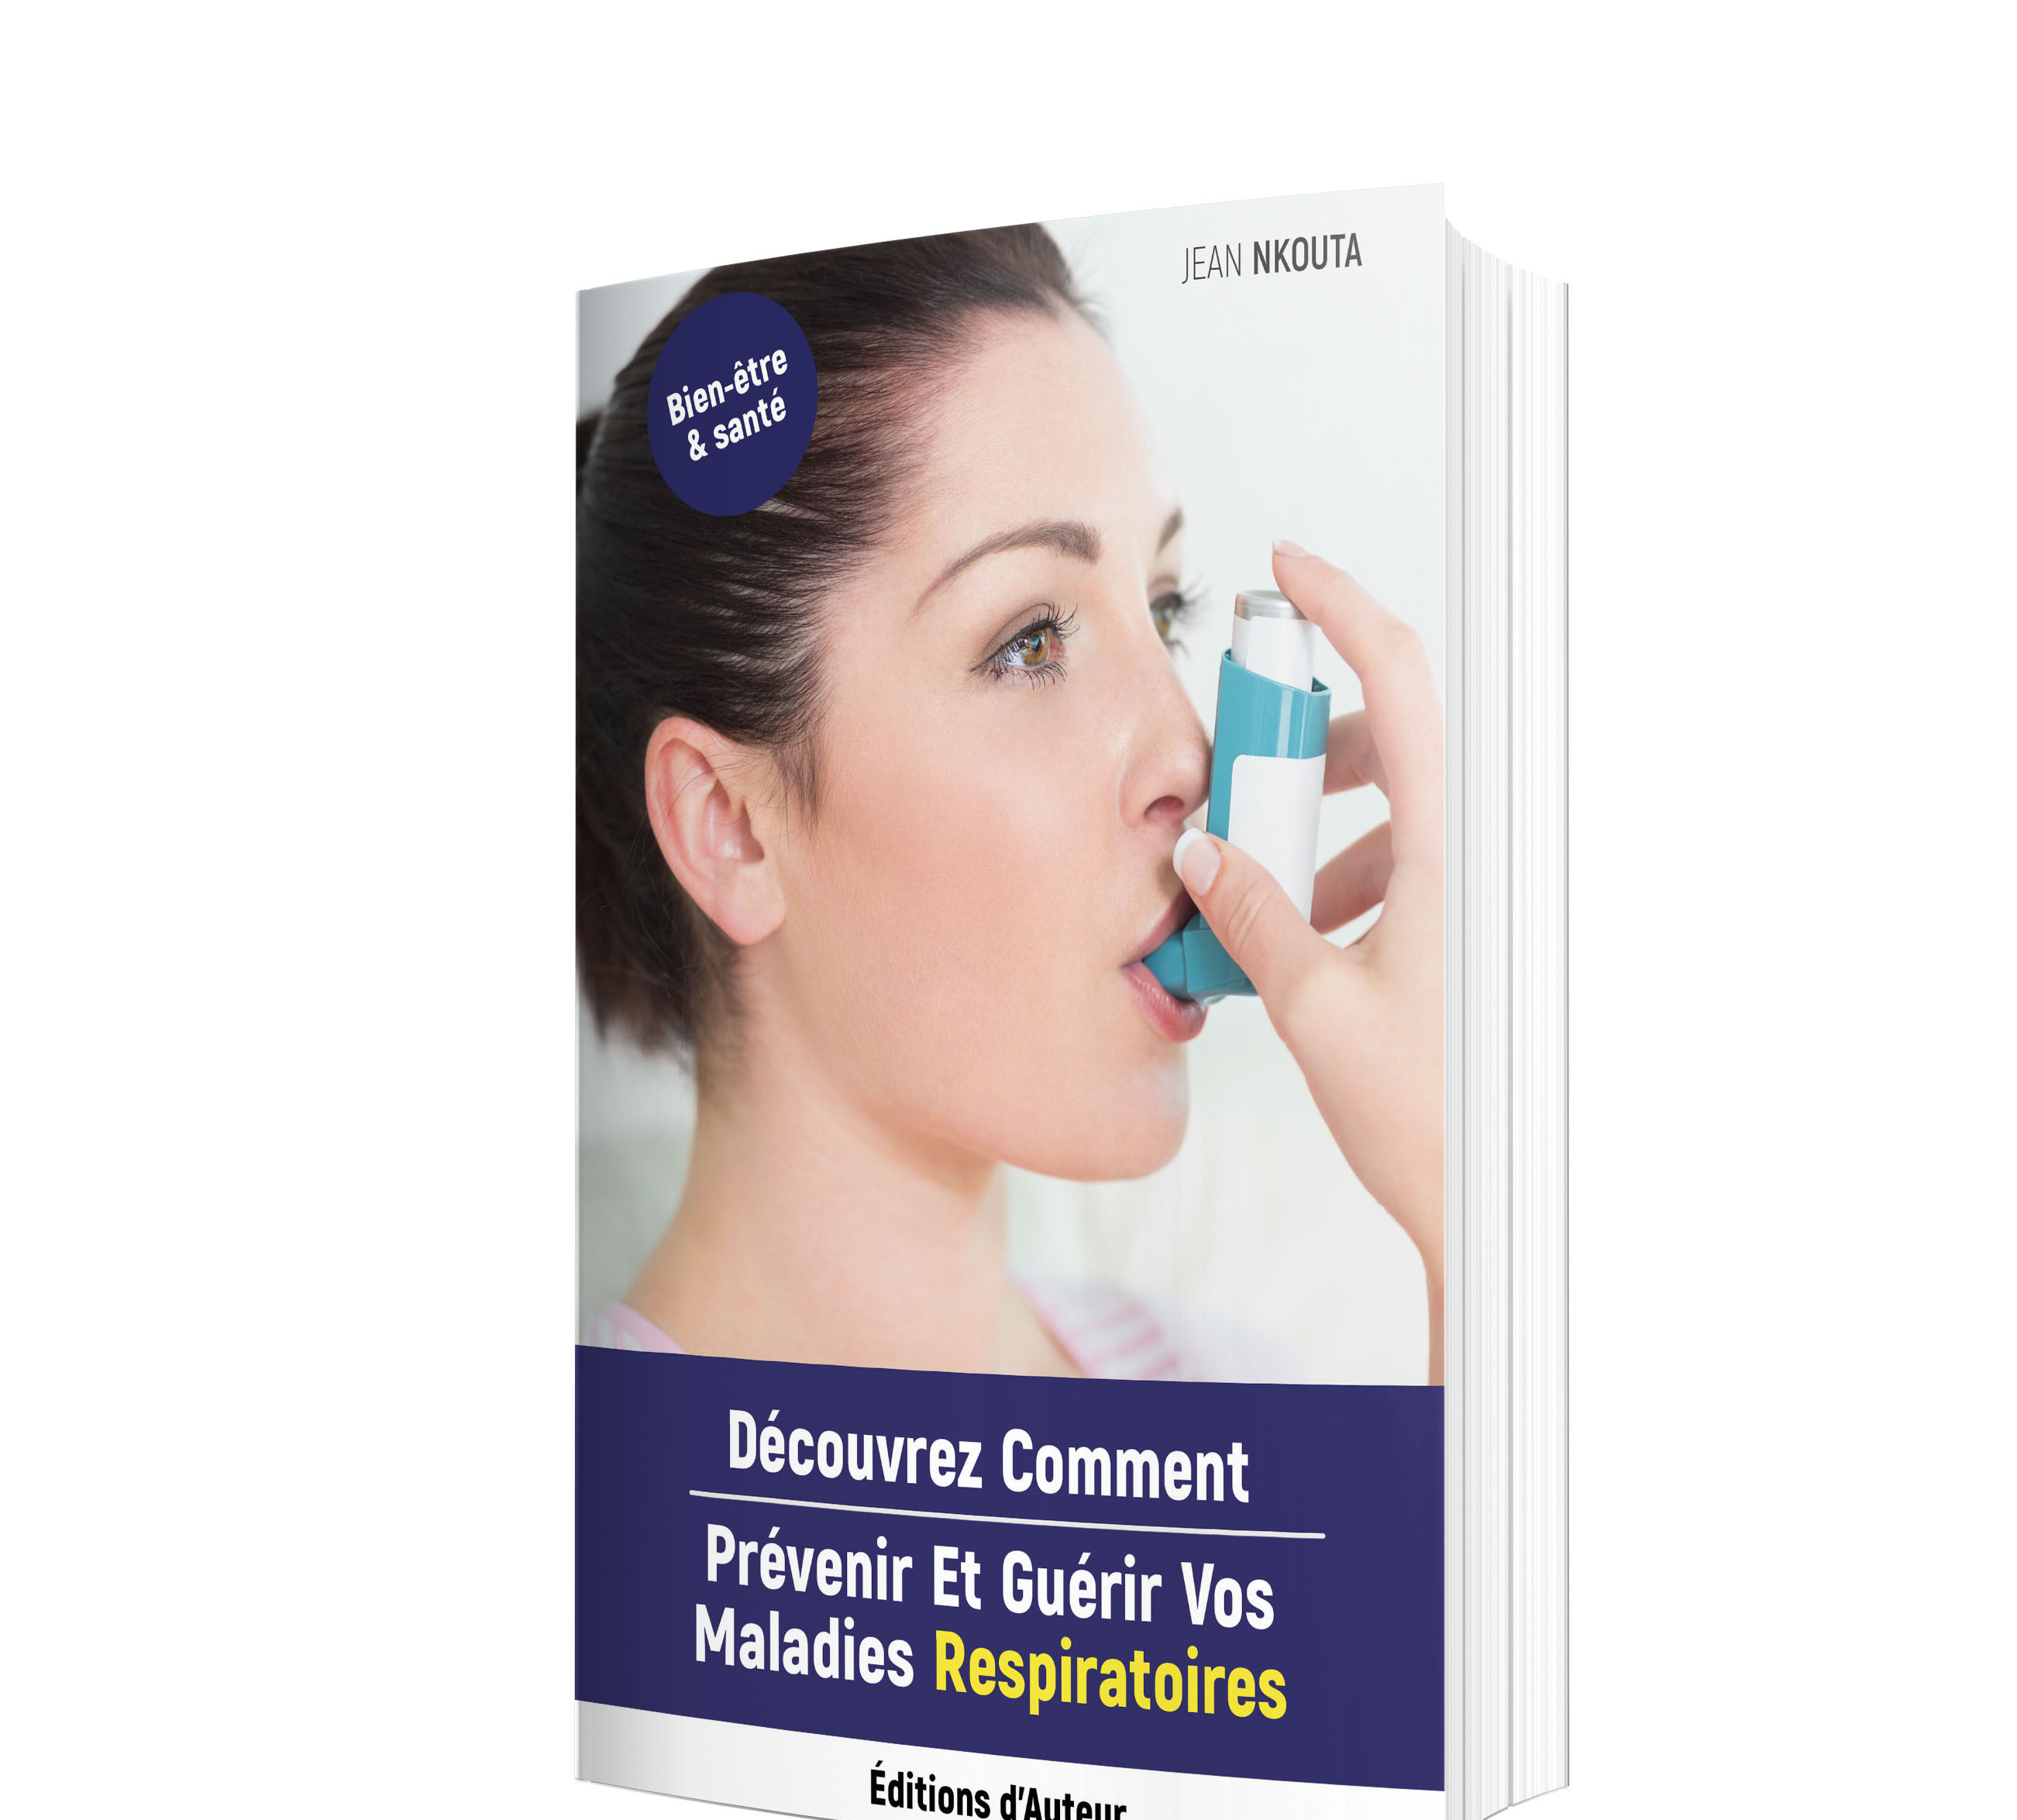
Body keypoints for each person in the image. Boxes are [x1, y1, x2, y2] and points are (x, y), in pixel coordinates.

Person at [578, 228, 1443, 1382]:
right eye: (1032, 640)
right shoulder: (585, 1482)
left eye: (1165, 609)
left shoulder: (1239, 1395)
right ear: (730, 826)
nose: (1191, 753)